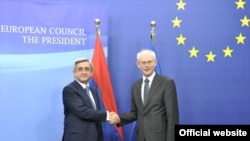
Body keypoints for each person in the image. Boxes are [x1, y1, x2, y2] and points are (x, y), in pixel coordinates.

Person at [113, 49, 179, 141]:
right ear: (138, 64)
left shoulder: (167, 83)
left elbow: (172, 117)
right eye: (143, 62)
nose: (147, 65)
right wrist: (118, 118)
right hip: (141, 137)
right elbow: (135, 113)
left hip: (160, 138)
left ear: (155, 63)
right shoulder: (135, 86)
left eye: (149, 62)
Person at [62, 57, 119, 141]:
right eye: (80, 69)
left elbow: (95, 115)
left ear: (91, 72)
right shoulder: (69, 90)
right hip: (76, 138)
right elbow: (83, 112)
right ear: (74, 73)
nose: (84, 72)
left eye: (87, 69)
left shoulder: (93, 92)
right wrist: (108, 116)